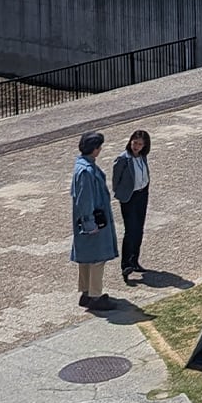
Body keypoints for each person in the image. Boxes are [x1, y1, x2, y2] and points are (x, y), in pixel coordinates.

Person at [70, 131, 119, 312]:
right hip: (93, 221)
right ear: (94, 149)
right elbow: (85, 200)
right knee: (97, 259)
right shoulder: (86, 171)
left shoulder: (82, 166)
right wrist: (90, 223)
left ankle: (86, 292)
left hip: (88, 220)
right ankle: (95, 296)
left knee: (86, 258)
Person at [112, 129, 151, 282]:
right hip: (129, 197)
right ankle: (126, 265)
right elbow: (116, 179)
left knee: (139, 229)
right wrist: (121, 194)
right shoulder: (123, 159)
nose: (136, 146)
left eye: (140, 144)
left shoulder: (142, 156)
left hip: (142, 194)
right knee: (130, 230)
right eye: (135, 143)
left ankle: (135, 260)